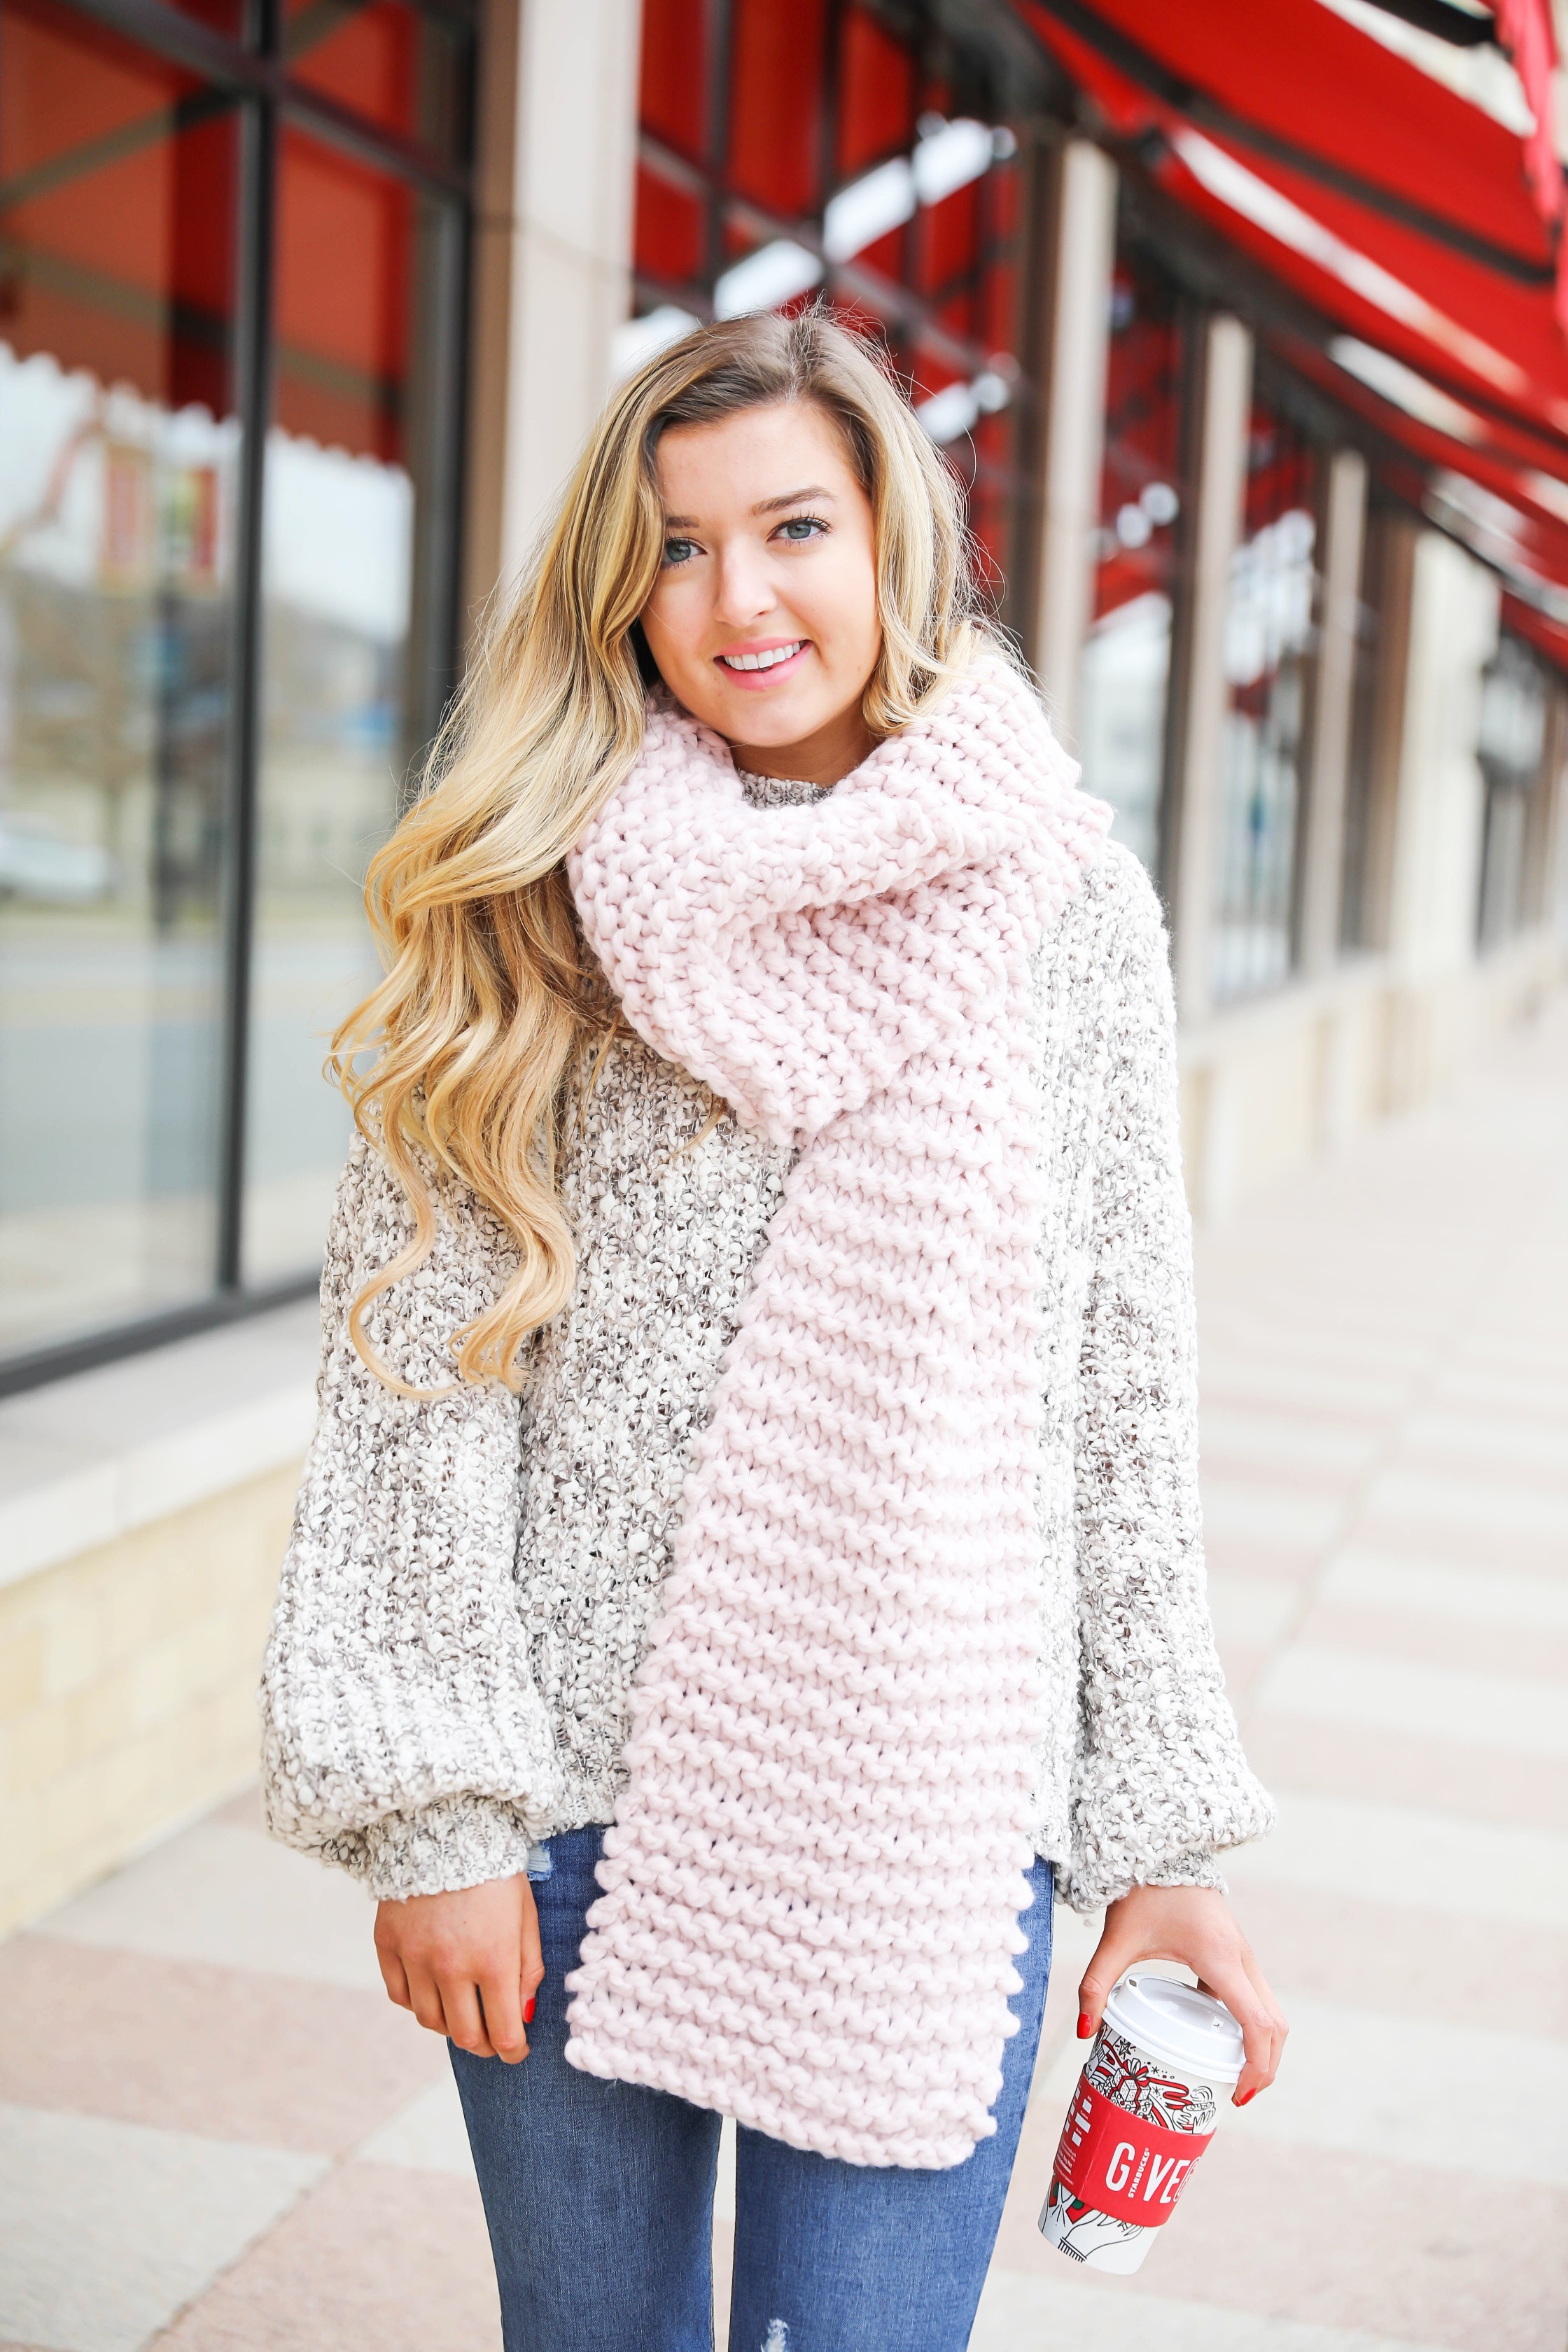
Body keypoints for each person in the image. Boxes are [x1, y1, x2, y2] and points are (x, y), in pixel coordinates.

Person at [261, 308, 1286, 2352]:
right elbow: (415, 1380)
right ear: (617, 586)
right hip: (566, 1803)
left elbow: (1118, 1399)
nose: (742, 597)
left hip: (925, 1801)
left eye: (796, 525)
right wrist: (438, 1814)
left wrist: (1164, 1843)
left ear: (892, 537)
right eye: (680, 545)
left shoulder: (1061, 903)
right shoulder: (531, 900)